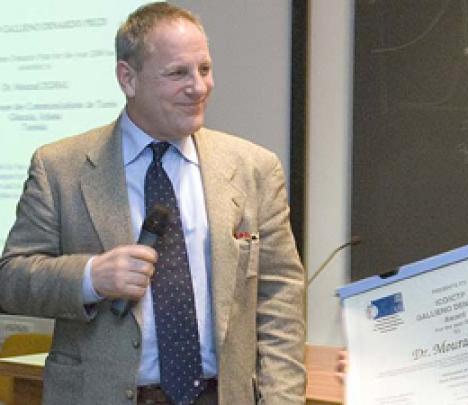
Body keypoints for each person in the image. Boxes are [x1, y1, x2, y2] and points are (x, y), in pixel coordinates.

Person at [0, 3, 305, 404]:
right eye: (178, 73)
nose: (199, 87)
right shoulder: (60, 167)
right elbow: (12, 281)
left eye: (205, 69)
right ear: (128, 78)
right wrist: (91, 276)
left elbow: (279, 299)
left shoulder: (254, 168)